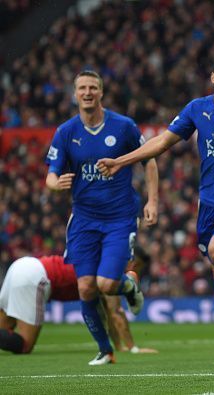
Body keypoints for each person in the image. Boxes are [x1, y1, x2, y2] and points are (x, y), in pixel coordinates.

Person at [96, 50, 214, 366]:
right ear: (213, 77)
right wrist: (121, 161)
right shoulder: (197, 110)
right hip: (208, 204)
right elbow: (162, 143)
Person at [45, 70, 159, 365]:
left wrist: (152, 200)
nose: (87, 92)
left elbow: (149, 159)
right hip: (83, 219)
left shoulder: (123, 127)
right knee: (85, 286)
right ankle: (106, 350)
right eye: (82, 88)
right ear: (74, 94)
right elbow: (51, 176)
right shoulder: (66, 132)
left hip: (119, 218)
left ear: (101, 93)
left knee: (107, 285)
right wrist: (55, 184)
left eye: (92, 88)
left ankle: (128, 285)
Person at [0, 254, 158, 355]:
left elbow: (109, 314)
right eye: (138, 266)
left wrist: (118, 345)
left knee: (4, 329)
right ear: (132, 263)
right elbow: (115, 312)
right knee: (25, 345)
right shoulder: (108, 273)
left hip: (21, 265)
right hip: (35, 276)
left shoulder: (98, 259)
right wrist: (133, 348)